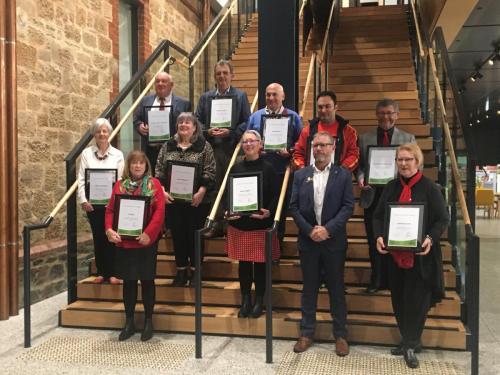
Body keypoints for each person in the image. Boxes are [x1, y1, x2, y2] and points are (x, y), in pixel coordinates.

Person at [373, 143, 448, 369]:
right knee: (399, 300)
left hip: (421, 257)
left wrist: (430, 238)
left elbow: (443, 219)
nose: (404, 164)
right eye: (400, 160)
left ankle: (411, 344)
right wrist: (378, 237)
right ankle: (408, 340)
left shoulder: (430, 188)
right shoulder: (390, 187)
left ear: (418, 162)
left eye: (408, 160)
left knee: (417, 302)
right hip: (395, 256)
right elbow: (377, 216)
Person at [289, 131, 354, 356]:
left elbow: (348, 207)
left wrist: (327, 229)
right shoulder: (300, 175)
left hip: (333, 242)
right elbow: (293, 207)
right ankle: (306, 332)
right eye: (316, 146)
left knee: (336, 289)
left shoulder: (343, 175)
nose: (319, 149)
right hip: (308, 242)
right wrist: (310, 231)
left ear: (333, 147)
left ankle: (341, 335)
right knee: (309, 289)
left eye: (323, 145)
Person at [357, 99, 416, 293]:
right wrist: (361, 178)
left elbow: (417, 167)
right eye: (382, 113)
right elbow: (361, 167)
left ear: (397, 115)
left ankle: (394, 280)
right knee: (375, 240)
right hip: (373, 197)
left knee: (395, 239)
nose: (386, 117)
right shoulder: (365, 138)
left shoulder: (408, 139)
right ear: (376, 115)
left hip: (397, 197)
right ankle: (377, 279)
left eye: (390, 113)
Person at [105, 150, 165, 342]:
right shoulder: (119, 186)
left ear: (146, 165)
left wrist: (149, 233)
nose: (137, 166)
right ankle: (129, 321)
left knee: (147, 281)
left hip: (146, 242)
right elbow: (110, 210)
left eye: (141, 163)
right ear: (128, 166)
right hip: (125, 243)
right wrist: (108, 230)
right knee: (129, 282)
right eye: (134, 163)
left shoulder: (154, 185)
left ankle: (148, 321)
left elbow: (159, 212)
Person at [155, 113, 216, 286]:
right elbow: (159, 169)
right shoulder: (168, 146)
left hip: (197, 201)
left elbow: (210, 170)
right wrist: (162, 191)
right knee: (179, 236)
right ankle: (181, 271)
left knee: (195, 236)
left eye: (188, 122)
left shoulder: (204, 146)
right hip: (173, 202)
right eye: (180, 122)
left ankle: (196, 272)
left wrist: (202, 191)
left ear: (195, 127)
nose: (184, 125)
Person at [225, 130, 280, 318]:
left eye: (252, 141)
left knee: (261, 266)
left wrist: (269, 211)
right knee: (244, 266)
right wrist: (228, 211)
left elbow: (277, 194)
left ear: (260, 144)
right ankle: (246, 299)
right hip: (240, 225)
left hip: (260, 225)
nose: (248, 144)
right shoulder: (236, 168)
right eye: (245, 141)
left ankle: (260, 300)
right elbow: (227, 194)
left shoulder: (269, 168)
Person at [195, 59, 251, 238]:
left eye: (225, 73)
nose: (222, 76)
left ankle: (231, 224)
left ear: (232, 76)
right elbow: (197, 121)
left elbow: (246, 121)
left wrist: (232, 131)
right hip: (213, 149)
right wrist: (207, 131)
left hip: (233, 148)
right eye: (218, 73)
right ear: (214, 76)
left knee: (232, 185)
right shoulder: (206, 97)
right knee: (214, 186)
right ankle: (215, 223)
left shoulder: (240, 96)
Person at [246, 82, 303, 241]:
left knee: (279, 210)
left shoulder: (293, 116)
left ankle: (277, 247)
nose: (271, 98)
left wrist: (289, 151)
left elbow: (301, 143)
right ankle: (260, 247)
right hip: (260, 171)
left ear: (283, 96)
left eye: (274, 94)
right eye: (268, 95)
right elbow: (246, 139)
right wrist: (255, 147)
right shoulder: (255, 117)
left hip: (281, 172)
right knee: (260, 209)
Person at [77, 118, 124, 285]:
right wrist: (83, 200)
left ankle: (114, 273)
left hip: (111, 205)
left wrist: (114, 202)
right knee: (98, 237)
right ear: (94, 135)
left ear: (109, 133)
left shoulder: (118, 154)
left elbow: (120, 181)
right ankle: (102, 272)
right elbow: (81, 178)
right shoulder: (86, 154)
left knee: (111, 237)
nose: (102, 134)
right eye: (98, 131)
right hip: (92, 205)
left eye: (104, 131)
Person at [133, 72, 191, 171]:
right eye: (157, 81)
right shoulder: (145, 101)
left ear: (171, 85)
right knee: (152, 182)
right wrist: (139, 126)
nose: (160, 84)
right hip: (150, 151)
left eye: (164, 81)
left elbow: (190, 125)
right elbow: (136, 119)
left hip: (174, 151)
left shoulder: (183, 104)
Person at [292, 90, 359, 172]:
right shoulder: (307, 131)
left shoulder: (348, 131)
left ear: (335, 107)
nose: (323, 110)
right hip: (311, 180)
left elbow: (354, 155)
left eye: (327, 106)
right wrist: (304, 170)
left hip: (339, 180)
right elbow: (298, 154)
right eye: (320, 107)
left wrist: (341, 171)